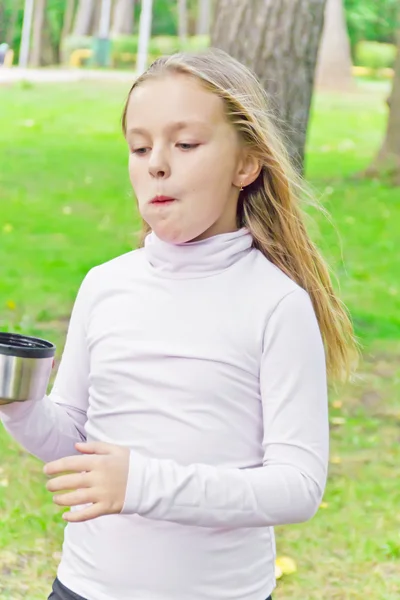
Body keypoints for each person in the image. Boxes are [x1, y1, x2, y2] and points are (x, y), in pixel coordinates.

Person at [0, 48, 358, 600]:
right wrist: (21, 405)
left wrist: (144, 484)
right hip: (84, 587)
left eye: (185, 144)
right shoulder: (106, 284)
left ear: (246, 164)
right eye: (140, 147)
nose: (156, 163)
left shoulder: (275, 304)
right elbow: (75, 441)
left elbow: (298, 486)